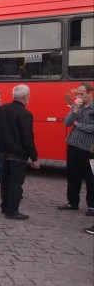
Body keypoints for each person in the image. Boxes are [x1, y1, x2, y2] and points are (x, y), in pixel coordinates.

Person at [0, 84, 40, 220]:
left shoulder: (2, 110)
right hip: (18, 156)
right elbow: (27, 139)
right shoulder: (25, 114)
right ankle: (12, 211)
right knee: (16, 184)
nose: (29, 97)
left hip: (3, 153)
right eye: (29, 95)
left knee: (6, 182)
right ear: (25, 97)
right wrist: (34, 158)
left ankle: (5, 206)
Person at [58, 82, 94, 216]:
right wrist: (74, 110)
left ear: (90, 93)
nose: (78, 96)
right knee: (73, 175)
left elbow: (92, 129)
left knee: (90, 178)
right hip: (73, 144)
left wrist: (78, 124)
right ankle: (72, 202)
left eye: (81, 94)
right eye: (77, 93)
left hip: (88, 148)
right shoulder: (76, 106)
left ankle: (92, 205)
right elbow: (67, 122)